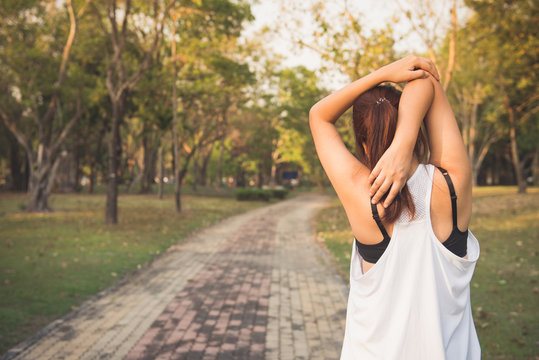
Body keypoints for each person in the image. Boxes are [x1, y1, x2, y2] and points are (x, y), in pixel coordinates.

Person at [309, 55, 480, 359]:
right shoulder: (452, 184)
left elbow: (319, 115)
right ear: (416, 128)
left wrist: (382, 73)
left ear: (363, 142)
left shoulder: (359, 191)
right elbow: (426, 80)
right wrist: (404, 141)